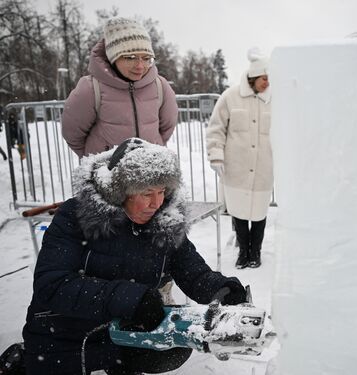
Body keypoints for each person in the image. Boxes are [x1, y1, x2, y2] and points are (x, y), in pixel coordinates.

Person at [0, 138, 247, 374]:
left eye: (162, 191)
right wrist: (130, 298)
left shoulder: (164, 222)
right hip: (66, 330)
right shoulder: (75, 216)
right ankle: (23, 361)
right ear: (120, 192)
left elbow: (192, 271)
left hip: (121, 327)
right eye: (147, 193)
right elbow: (51, 285)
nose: (156, 202)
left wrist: (222, 290)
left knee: (173, 349)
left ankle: (119, 360)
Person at [61, 17, 178, 158]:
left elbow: (166, 129)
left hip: (151, 173)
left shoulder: (160, 86)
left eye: (146, 58)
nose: (140, 66)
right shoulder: (91, 88)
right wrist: (98, 160)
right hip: (107, 175)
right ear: (113, 57)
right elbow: (73, 133)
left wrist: (154, 148)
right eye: (131, 57)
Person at [206, 47, 273, 269]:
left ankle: (256, 252)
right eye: (264, 78)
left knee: (260, 214)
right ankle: (243, 252)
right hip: (237, 167)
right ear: (253, 77)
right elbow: (216, 128)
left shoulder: (275, 99)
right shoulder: (230, 97)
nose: (268, 83)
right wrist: (216, 156)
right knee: (240, 214)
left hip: (264, 168)